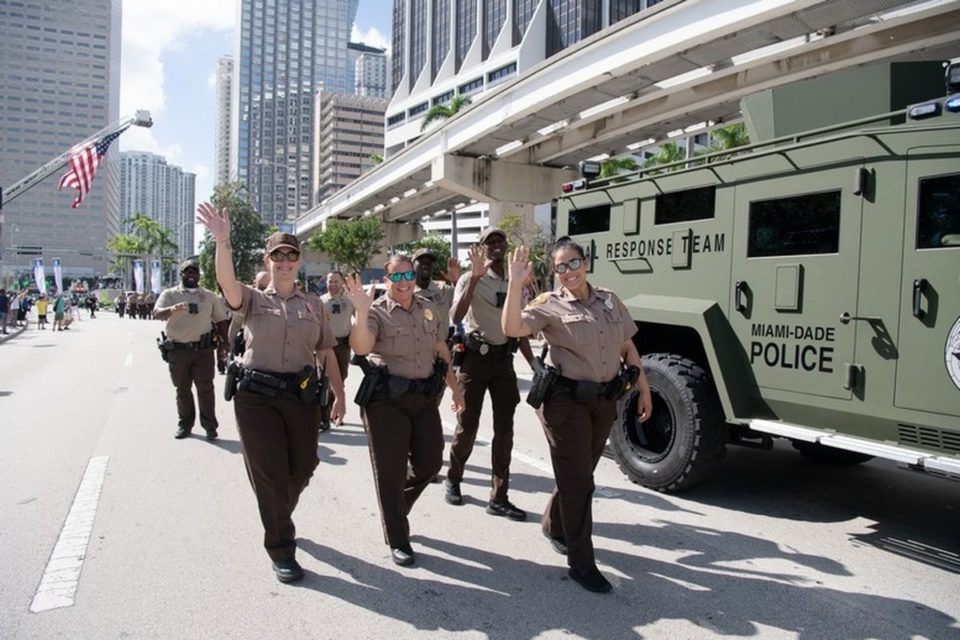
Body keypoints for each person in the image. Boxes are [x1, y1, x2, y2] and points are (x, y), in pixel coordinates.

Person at [197, 201, 346, 584]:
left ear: (298, 261)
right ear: (267, 260)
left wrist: (340, 395)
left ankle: (278, 511)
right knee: (269, 473)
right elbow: (227, 284)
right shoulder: (252, 299)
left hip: (300, 398)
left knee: (305, 465)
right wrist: (223, 241)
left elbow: (326, 351)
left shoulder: (314, 304)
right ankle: (281, 547)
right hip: (256, 397)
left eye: (290, 256)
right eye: (277, 256)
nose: (284, 262)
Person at [502, 238, 653, 594]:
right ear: (553, 273)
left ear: (585, 262)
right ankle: (582, 564)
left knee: (579, 473)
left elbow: (627, 345)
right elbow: (512, 328)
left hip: (603, 402)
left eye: (574, 263)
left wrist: (644, 388)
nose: (568, 272)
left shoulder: (610, 300)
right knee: (580, 482)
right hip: (564, 402)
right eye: (560, 267)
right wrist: (514, 282)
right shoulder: (548, 304)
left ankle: (554, 524)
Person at [344, 256, 464, 567]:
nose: (404, 280)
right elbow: (360, 347)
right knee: (390, 471)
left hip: (423, 397)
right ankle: (398, 536)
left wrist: (455, 386)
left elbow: (440, 348)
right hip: (386, 402)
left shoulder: (428, 307)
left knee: (430, 462)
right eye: (396, 276)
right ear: (386, 280)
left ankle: (395, 506)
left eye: (408, 274)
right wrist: (360, 310)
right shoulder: (376, 311)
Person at [444, 229, 533, 521]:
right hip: (475, 360)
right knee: (466, 426)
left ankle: (499, 497)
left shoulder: (514, 280)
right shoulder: (470, 278)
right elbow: (456, 317)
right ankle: (454, 478)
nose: (495, 246)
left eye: (499, 242)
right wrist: (475, 279)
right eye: (489, 242)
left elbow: (519, 327)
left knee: (504, 432)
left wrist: (534, 364)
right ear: (481, 248)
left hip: (503, 361)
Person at [153, 257, 230, 441]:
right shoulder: (170, 294)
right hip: (177, 351)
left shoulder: (209, 295)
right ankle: (185, 424)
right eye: (187, 271)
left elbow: (220, 320)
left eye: (194, 271)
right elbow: (156, 313)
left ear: (198, 275)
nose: (191, 275)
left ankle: (210, 427)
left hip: (203, 351)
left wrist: (224, 343)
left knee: (206, 389)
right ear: (181, 274)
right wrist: (172, 309)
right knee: (182, 389)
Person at [319, 271, 354, 429]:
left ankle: (335, 411)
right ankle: (324, 416)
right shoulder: (321, 302)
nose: (333, 284)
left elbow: (360, 318)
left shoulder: (350, 301)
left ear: (342, 283)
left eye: (336, 281)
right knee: (325, 381)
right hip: (326, 346)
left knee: (341, 380)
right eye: (330, 281)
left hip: (343, 346)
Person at [411, 248, 459, 340]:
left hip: (440, 349)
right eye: (421, 262)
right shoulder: (406, 291)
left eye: (429, 263)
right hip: (415, 349)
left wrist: (456, 281)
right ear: (413, 265)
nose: (425, 266)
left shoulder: (444, 290)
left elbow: (465, 303)